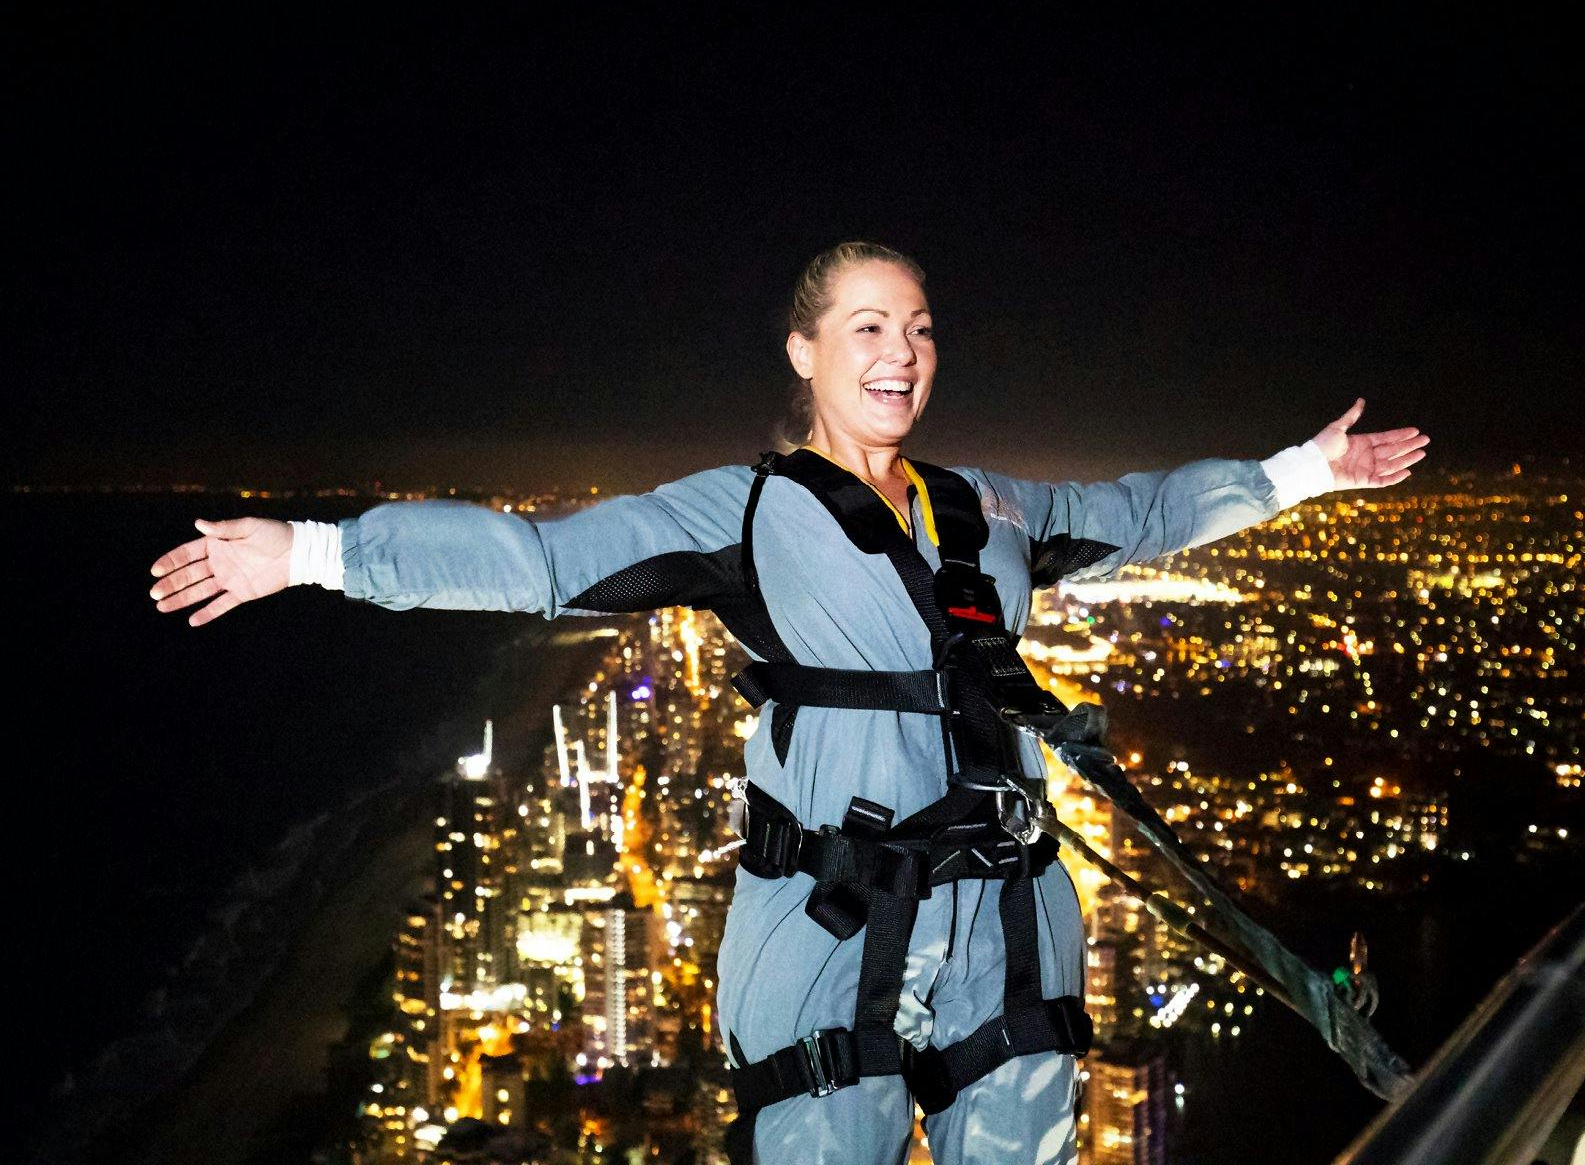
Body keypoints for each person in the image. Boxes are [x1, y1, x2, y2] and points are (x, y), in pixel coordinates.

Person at [147, 240, 1428, 1164]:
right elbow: (538, 561)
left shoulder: (993, 508)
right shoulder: (743, 512)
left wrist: (1302, 470)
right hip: (830, 921)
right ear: (805, 351)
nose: (901, 352)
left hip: (1006, 922)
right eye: (867, 326)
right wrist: (315, 555)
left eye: (919, 326)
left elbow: (1143, 511)